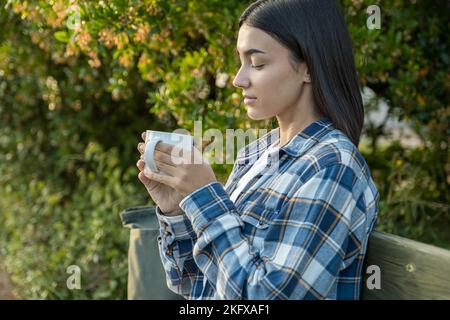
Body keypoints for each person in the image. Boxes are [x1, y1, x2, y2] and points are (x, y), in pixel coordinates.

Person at [135, 0, 380, 300]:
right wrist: (177, 207)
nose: (239, 79)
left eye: (258, 63)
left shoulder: (333, 167)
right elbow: (196, 284)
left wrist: (204, 195)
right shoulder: (255, 154)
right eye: (241, 62)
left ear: (308, 68)